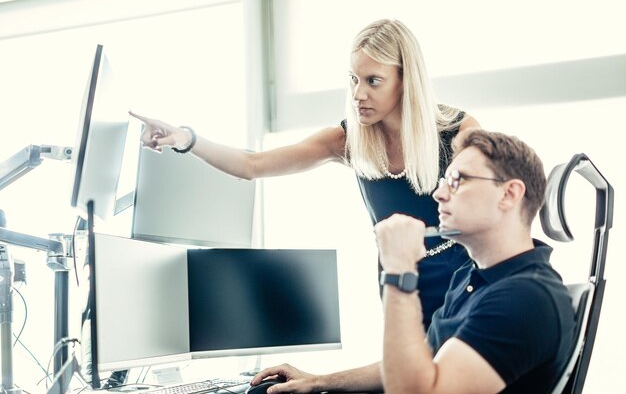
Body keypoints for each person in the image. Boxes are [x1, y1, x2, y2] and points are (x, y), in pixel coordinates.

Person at [129, 18, 480, 329]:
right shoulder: (348, 140)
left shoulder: (456, 131)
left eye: (373, 81)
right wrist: (185, 139)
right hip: (400, 280)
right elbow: (252, 166)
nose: (358, 94)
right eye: (354, 79)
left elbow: (497, 199)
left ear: (406, 81)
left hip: (463, 277)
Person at [248, 129, 576, 394]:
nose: (439, 193)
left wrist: (400, 270)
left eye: (458, 180)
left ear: (509, 194)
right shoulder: (472, 277)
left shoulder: (525, 298)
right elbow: (419, 363)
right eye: (444, 180)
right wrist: (318, 381)